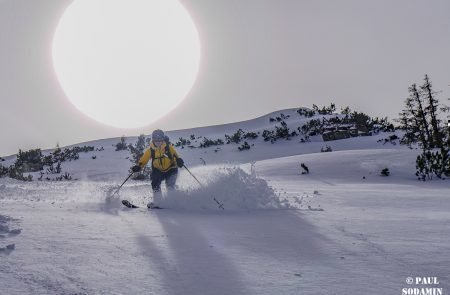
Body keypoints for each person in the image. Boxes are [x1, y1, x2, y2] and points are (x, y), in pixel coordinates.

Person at [131, 129, 184, 208]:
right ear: (153, 140)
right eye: (156, 140)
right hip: (158, 170)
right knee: (155, 182)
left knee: (170, 185)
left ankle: (173, 201)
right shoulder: (150, 150)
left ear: (163, 140)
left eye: (160, 140)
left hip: (171, 169)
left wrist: (179, 161)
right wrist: (138, 166)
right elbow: (144, 160)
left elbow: (176, 157)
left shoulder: (169, 148)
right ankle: (158, 201)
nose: (158, 142)